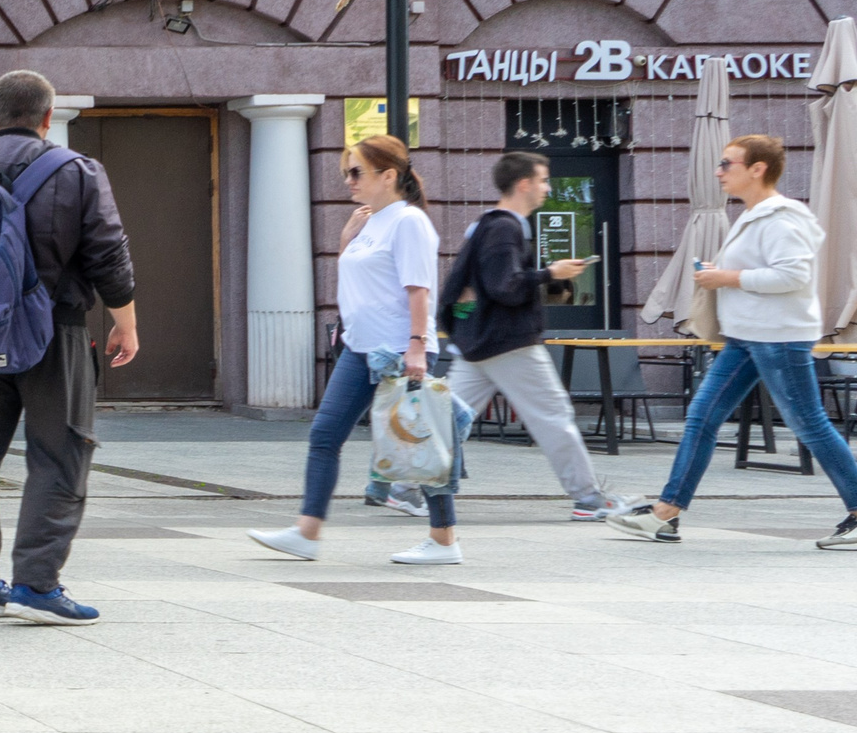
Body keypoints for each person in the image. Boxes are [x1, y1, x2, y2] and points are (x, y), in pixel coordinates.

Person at [0, 71, 138, 625]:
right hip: (56, 332)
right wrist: (125, 321)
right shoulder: (78, 172)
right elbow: (109, 252)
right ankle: (36, 584)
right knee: (60, 453)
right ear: (48, 118)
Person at [609, 135, 857, 548]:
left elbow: (792, 275)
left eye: (727, 164)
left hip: (779, 338)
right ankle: (665, 514)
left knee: (809, 424)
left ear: (757, 168)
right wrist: (722, 274)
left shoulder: (781, 217)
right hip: (748, 337)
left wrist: (726, 277)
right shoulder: (754, 215)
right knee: (702, 418)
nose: (718, 171)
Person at [249, 134, 464, 565]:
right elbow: (362, 281)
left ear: (388, 176)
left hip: (400, 353)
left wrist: (418, 347)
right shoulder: (371, 220)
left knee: (422, 444)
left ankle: (444, 541)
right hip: (361, 350)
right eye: (346, 171)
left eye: (355, 171)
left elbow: (418, 289)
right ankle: (307, 532)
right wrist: (348, 238)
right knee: (325, 435)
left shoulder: (409, 221)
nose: (347, 180)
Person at [439, 152, 629, 521]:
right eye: (543, 180)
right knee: (553, 415)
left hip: (477, 342)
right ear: (523, 184)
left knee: (448, 418)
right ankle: (588, 498)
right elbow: (505, 286)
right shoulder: (506, 228)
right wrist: (550, 274)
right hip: (509, 342)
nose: (547, 187)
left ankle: (402, 485)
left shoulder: (486, 225)